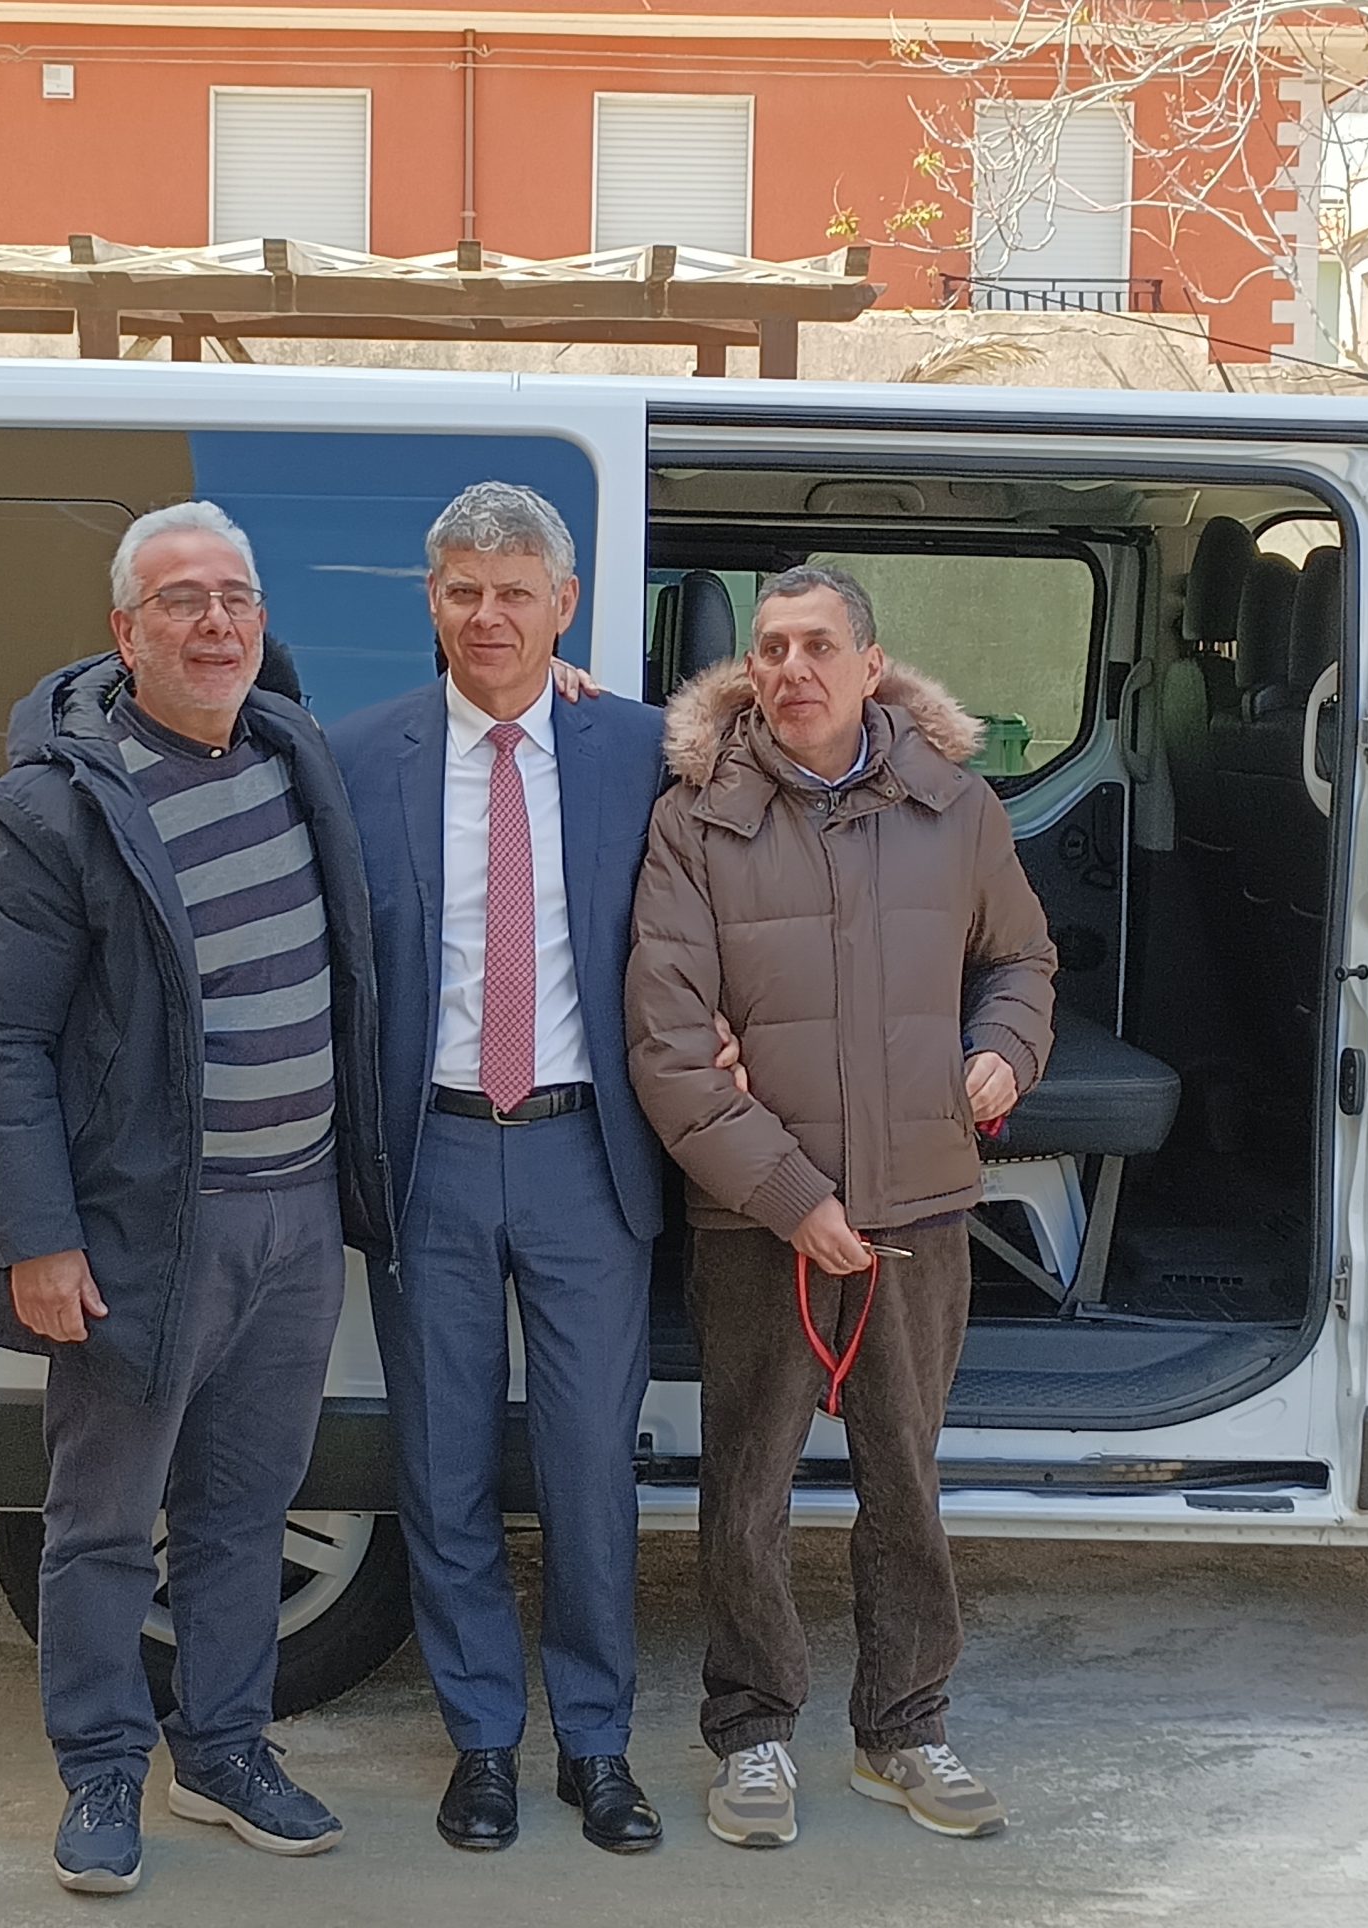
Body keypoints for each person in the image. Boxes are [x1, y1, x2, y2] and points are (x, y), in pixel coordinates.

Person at [0, 501, 392, 1895]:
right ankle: (99, 1772)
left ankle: (225, 1751)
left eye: (236, 597)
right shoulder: (57, 809)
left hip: (297, 1220)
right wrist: (38, 1239)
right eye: (182, 600)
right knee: (100, 1524)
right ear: (124, 632)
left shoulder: (292, 751)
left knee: (245, 1510)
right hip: (150, 1232)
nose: (215, 623)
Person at [625, 562, 1058, 1850]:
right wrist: (791, 1196)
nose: (792, 669)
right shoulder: (694, 822)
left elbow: (1023, 958)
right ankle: (753, 1733)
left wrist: (1007, 1049)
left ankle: (905, 1730)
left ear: (872, 667)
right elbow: (669, 1048)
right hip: (757, 1219)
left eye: (819, 646)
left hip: (919, 1206)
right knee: (747, 1485)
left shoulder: (957, 808)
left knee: (904, 1480)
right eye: (771, 648)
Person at [327, 482, 670, 1856]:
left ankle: (596, 1745)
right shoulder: (361, 754)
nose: (488, 616)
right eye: (464, 590)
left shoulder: (637, 747)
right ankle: (481, 1741)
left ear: (564, 606)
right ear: (432, 600)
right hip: (435, 1159)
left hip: (590, 1158)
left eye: (516, 592)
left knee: (590, 1469)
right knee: (443, 1465)